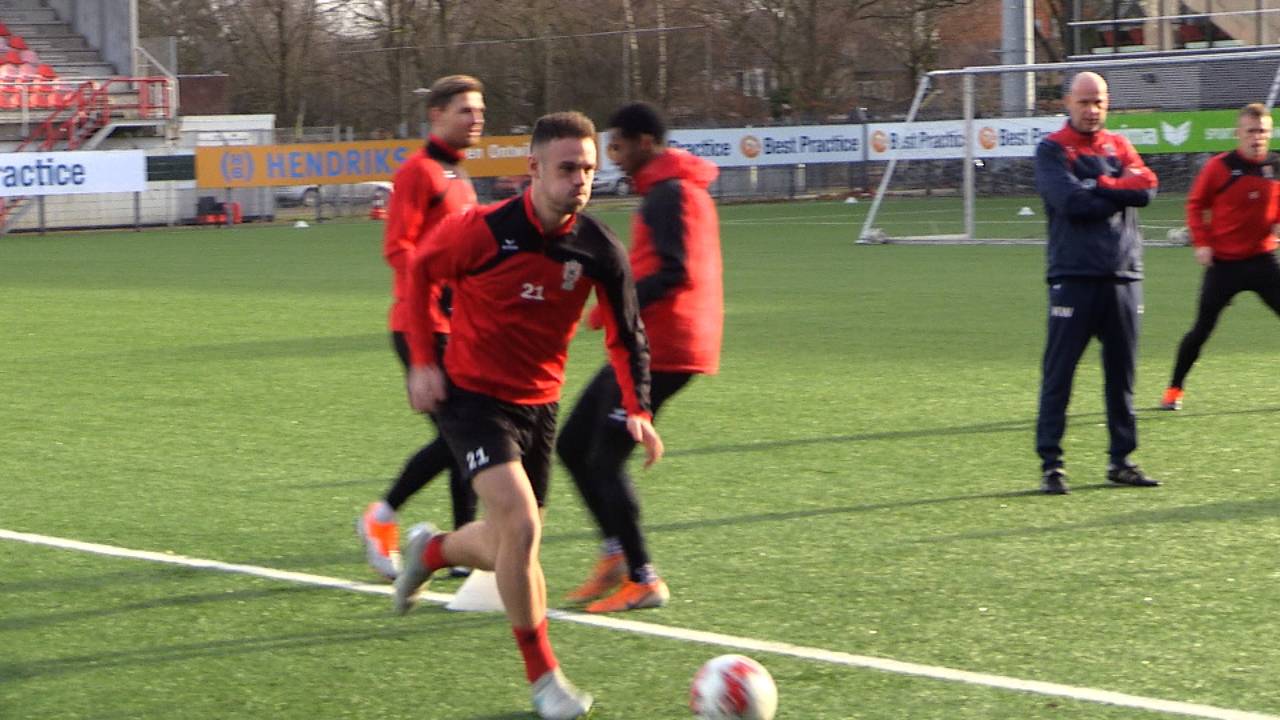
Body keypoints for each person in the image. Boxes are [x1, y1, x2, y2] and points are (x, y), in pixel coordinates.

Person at [393, 111, 662, 720]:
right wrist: (421, 359)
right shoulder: (482, 231)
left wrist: (639, 406)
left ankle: (431, 552)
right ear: (533, 169)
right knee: (522, 527)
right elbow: (419, 272)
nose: (581, 180)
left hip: (538, 407)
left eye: (589, 169)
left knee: (505, 543)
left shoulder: (598, 249)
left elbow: (627, 333)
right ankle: (545, 681)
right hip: (471, 397)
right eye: (568, 168)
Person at [557, 102, 723, 614]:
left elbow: (674, 271)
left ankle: (643, 576)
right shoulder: (667, 190)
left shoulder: (670, 194)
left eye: (618, 144)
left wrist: (615, 305)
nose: (612, 155)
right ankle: (614, 553)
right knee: (572, 444)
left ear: (645, 142)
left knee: (605, 460)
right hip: (652, 341)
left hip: (666, 347)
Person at [356, 75, 484, 579]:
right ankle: (381, 516)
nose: (476, 120)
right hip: (422, 325)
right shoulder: (420, 173)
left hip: (455, 325)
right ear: (436, 115)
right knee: (463, 435)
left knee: (466, 437)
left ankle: (463, 554)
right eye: (465, 111)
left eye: (479, 111)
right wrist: (438, 297)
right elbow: (398, 248)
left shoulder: (459, 177)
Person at [1032, 71, 1161, 495]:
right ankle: (1052, 464)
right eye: (1084, 102)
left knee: (1121, 377)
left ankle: (1121, 460)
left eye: (1099, 102)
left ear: (1108, 104)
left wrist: (1102, 183)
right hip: (1073, 277)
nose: (1092, 110)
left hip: (1124, 275)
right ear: (1068, 102)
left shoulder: (1119, 146)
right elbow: (1070, 202)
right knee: (1059, 374)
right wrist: (1116, 189)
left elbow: (1147, 189)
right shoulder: (1052, 150)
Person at [1161, 103, 1280, 411]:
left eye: (1262, 132)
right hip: (1224, 265)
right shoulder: (1220, 166)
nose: (1257, 138)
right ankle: (1174, 389)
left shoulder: (1275, 167)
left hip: (1263, 261)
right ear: (1238, 134)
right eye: (1251, 131)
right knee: (1201, 330)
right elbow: (1195, 205)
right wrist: (1201, 242)